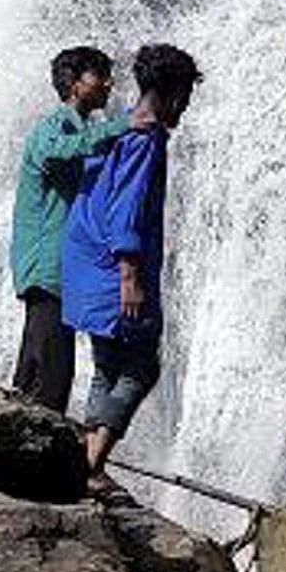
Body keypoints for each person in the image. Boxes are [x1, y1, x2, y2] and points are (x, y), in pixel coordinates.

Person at [56, 41, 202, 484]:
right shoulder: (146, 137)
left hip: (84, 261)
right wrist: (129, 275)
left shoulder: (117, 127)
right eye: (186, 98)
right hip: (113, 269)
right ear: (174, 92)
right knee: (141, 367)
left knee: (107, 366)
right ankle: (90, 464)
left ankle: (87, 458)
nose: (186, 107)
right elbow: (127, 207)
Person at [6, 45, 123, 413]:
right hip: (47, 268)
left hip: (62, 270)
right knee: (50, 376)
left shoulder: (82, 129)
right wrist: (121, 126)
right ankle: (33, 461)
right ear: (74, 84)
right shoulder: (55, 125)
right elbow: (54, 153)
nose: (108, 83)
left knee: (36, 372)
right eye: (98, 75)